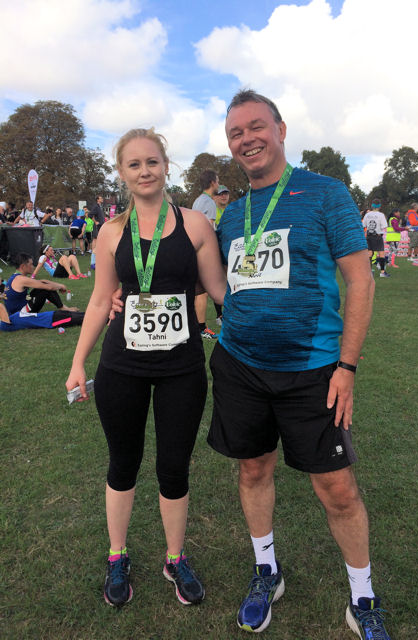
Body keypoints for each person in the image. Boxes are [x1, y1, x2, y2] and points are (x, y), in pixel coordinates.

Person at [207, 90, 389, 639]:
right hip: (240, 364)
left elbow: (359, 279)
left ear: (281, 130)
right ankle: (267, 571)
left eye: (256, 127)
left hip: (313, 370)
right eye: (236, 133)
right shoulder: (232, 213)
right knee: (253, 469)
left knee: (337, 489)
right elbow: (214, 282)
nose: (247, 139)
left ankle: (363, 598)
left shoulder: (326, 194)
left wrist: (347, 367)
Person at [65, 127, 226, 608]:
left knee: (174, 467)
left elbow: (218, 291)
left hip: (181, 367)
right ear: (122, 173)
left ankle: (175, 559)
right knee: (123, 462)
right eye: (133, 164)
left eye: (152, 161)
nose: (144, 171)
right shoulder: (112, 233)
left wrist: (264, 313)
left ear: (166, 165)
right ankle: (118, 555)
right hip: (122, 365)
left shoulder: (196, 225)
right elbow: (98, 302)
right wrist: (78, 362)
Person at [192, 169, 220, 339]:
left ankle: (196, 325)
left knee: (196, 290)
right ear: (212, 183)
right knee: (201, 292)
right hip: (202, 251)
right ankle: (201, 328)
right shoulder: (209, 203)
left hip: (193, 249)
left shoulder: (197, 201)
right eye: (217, 181)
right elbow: (209, 230)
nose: (218, 184)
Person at [5, 252, 78, 316]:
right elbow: (48, 287)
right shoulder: (21, 279)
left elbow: (43, 281)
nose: (33, 267)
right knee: (45, 288)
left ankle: (64, 308)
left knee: (44, 285)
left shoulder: (16, 277)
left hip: (15, 311)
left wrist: (61, 286)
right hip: (19, 314)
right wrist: (60, 286)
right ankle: (64, 308)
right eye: (31, 264)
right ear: (23, 266)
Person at [0, 297, 84, 332]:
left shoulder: (10, 318)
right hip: (51, 321)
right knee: (83, 319)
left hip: (52, 314)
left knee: (83, 315)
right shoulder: (4, 324)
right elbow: (1, 307)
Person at [213, 185, 230, 325]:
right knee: (218, 282)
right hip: (216, 251)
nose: (223, 196)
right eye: (220, 194)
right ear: (215, 196)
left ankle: (230, 312)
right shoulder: (213, 211)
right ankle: (219, 316)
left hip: (230, 250)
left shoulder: (232, 210)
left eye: (226, 193)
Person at [362, 199, 390, 277]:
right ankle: (382, 272)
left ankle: (369, 272)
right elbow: (384, 226)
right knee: (381, 253)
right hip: (377, 236)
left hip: (369, 236)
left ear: (372, 205)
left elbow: (363, 225)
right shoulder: (381, 215)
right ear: (379, 206)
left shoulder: (367, 215)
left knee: (369, 253)